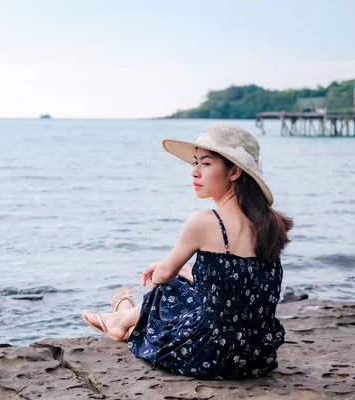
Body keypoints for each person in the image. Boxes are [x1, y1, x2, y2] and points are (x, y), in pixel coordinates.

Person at [82, 123, 293, 380]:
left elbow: (161, 277)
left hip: (212, 355)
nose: (194, 172)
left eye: (205, 164)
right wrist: (183, 270)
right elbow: (238, 287)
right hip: (257, 354)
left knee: (169, 288)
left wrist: (168, 270)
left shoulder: (204, 221)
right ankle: (122, 316)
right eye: (195, 163)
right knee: (182, 281)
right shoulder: (269, 222)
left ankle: (121, 317)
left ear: (235, 171)